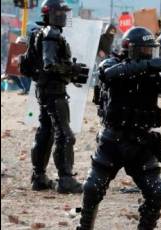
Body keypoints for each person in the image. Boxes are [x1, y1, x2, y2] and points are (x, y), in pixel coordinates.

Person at [77, 26, 161, 230]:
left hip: (141, 144)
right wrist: (148, 65)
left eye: (149, 50)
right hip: (112, 142)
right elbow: (109, 75)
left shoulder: (153, 73)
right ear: (130, 48)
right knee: (92, 188)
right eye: (143, 50)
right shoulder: (112, 63)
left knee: (157, 191)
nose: (147, 54)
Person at [29, 0, 85, 194]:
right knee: (65, 134)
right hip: (54, 92)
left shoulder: (38, 33)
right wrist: (72, 69)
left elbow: (30, 66)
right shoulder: (51, 34)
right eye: (62, 12)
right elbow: (50, 64)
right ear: (53, 13)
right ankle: (66, 179)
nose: (64, 16)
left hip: (44, 89)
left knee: (46, 131)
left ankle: (39, 177)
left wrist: (70, 73)